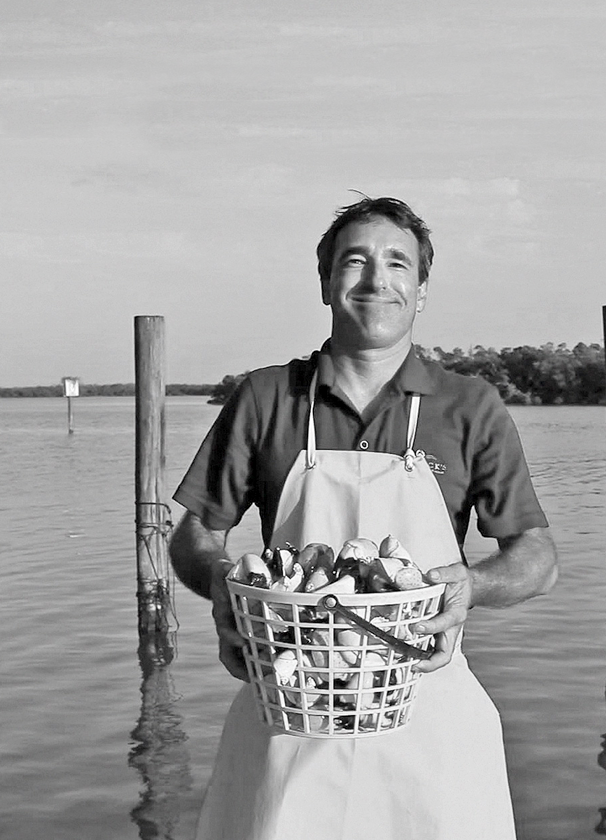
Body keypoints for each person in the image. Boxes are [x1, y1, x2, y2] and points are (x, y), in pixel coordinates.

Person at [170, 195, 559, 840]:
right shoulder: (267, 396)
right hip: (289, 708)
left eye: (398, 265)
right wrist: (223, 586)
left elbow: (538, 558)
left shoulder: (470, 406)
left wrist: (476, 585)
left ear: (422, 289)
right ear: (325, 283)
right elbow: (196, 535)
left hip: (429, 708)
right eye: (355, 262)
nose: (377, 281)